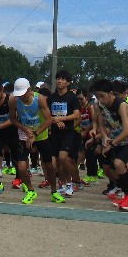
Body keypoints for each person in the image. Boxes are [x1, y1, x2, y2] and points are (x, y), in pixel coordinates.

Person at [92, 78, 128, 211]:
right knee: (116, 167)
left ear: (110, 93)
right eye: (98, 96)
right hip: (117, 137)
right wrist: (105, 137)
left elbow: (127, 131)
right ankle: (126, 194)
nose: (100, 99)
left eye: (102, 96)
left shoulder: (121, 105)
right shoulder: (100, 105)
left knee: (119, 163)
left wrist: (112, 144)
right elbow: (101, 124)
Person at [8, 78, 47, 205]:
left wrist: (35, 133)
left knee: (49, 165)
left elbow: (49, 119)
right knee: (21, 166)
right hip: (24, 134)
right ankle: (30, 190)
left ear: (29, 90)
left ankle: (54, 190)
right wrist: (24, 129)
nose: (21, 97)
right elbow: (13, 119)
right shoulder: (13, 101)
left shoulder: (39, 99)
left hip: (40, 133)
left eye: (23, 94)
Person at [46, 70, 82, 202]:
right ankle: (62, 183)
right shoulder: (52, 97)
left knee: (63, 157)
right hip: (54, 133)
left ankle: (69, 184)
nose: (59, 81)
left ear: (68, 82)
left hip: (68, 132)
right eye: (58, 78)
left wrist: (63, 119)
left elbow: (77, 115)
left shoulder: (72, 97)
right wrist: (56, 120)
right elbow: (48, 114)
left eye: (62, 79)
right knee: (55, 163)